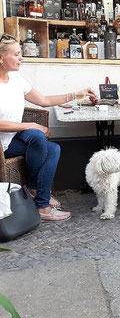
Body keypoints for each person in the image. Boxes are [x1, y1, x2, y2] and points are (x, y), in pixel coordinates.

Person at [0, 33, 97, 222]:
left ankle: (39, 196)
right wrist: (31, 124)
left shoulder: (17, 79)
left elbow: (44, 101)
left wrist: (78, 93)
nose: (21, 58)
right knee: (39, 137)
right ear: (1, 58)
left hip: (14, 138)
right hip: (2, 144)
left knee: (52, 147)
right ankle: (41, 200)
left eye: (20, 53)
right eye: (16, 54)